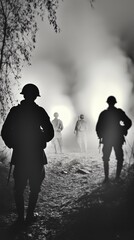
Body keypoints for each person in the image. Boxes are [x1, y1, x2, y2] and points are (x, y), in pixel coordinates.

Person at [1, 83, 54, 225]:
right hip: (36, 154)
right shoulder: (39, 111)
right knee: (35, 187)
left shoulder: (15, 111)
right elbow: (50, 132)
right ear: (36, 96)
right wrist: (41, 140)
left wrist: (13, 143)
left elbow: (5, 132)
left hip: (20, 155)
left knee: (19, 188)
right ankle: (29, 215)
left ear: (23, 95)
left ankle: (20, 217)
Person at [96, 96, 132, 183]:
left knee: (106, 158)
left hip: (107, 138)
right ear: (115, 102)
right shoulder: (119, 112)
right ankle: (117, 177)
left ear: (107, 102)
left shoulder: (104, 113)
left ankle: (106, 178)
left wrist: (101, 135)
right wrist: (123, 129)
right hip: (117, 138)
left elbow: (98, 127)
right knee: (119, 158)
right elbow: (129, 122)